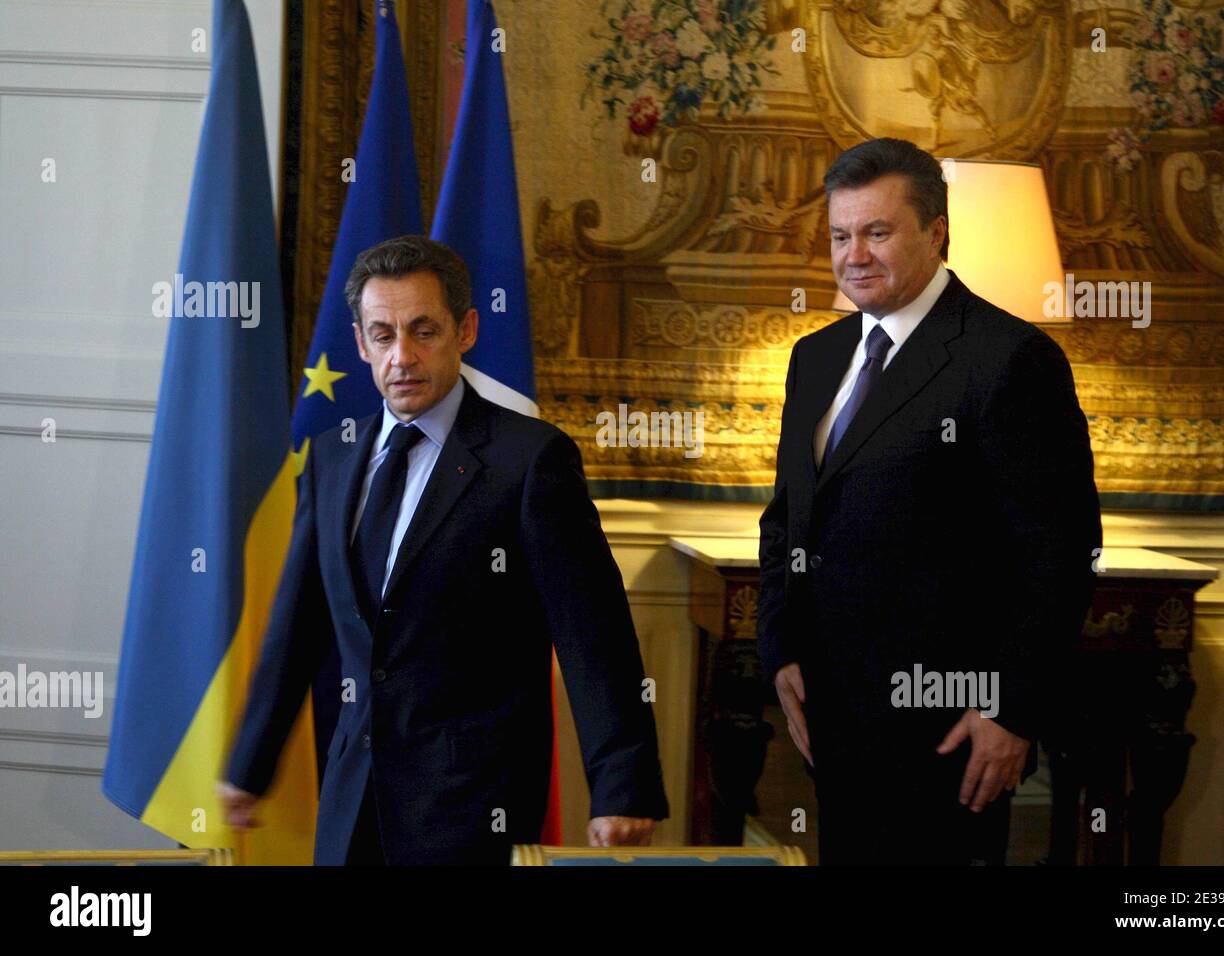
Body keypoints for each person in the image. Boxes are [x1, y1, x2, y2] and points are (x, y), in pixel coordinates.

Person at [219, 235, 668, 864]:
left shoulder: (529, 460)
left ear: (466, 330)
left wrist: (622, 786)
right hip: (352, 794)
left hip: (473, 801)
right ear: (360, 343)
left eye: (423, 330)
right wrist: (249, 764)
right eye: (382, 334)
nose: (401, 356)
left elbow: (594, 634)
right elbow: (298, 626)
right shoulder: (332, 458)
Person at [758, 138, 1101, 865]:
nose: (855, 255)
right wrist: (781, 646)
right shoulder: (814, 357)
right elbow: (787, 518)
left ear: (936, 231)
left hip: (949, 728)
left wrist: (1012, 710)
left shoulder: (1010, 359)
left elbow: (1058, 555)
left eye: (878, 232)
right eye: (841, 236)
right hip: (835, 717)